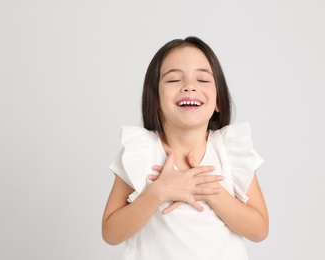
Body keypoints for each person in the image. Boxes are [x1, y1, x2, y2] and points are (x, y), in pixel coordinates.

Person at [102, 36, 268, 259]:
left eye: (203, 80)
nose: (189, 87)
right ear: (156, 100)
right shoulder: (140, 151)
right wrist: (158, 192)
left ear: (218, 100)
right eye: (173, 80)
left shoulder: (229, 151)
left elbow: (259, 230)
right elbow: (111, 233)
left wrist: (209, 192)